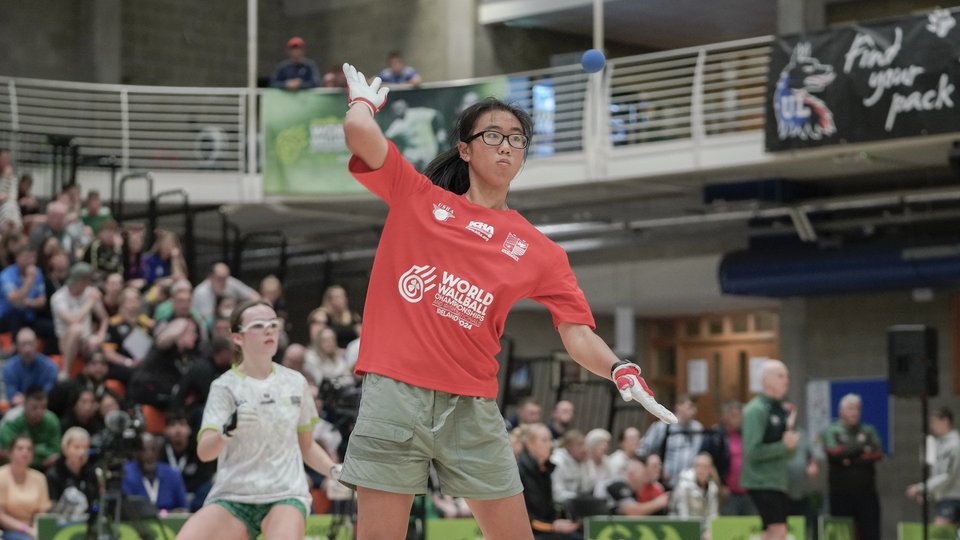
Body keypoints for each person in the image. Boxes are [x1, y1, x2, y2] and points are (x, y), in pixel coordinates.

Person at [336, 63, 676, 540]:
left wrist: (621, 369)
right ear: (465, 148)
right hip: (395, 393)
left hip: (471, 405)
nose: (505, 145)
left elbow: (576, 332)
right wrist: (362, 105)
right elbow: (358, 132)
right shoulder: (417, 197)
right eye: (492, 135)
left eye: (516, 139)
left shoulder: (539, 250)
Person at [175, 299, 340, 540]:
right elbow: (205, 452)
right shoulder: (223, 387)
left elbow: (307, 446)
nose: (269, 329)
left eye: (273, 323)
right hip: (233, 496)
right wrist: (227, 431)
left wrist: (333, 470)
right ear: (237, 338)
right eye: (259, 325)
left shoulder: (295, 382)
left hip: (285, 493)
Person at [741, 359, 799, 540]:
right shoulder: (755, 410)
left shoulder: (781, 409)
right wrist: (783, 446)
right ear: (766, 380)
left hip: (777, 481)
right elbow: (752, 451)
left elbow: (789, 453)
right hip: (761, 481)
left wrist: (790, 446)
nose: (786, 380)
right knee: (778, 530)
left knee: (773, 533)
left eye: (787, 376)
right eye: (781, 376)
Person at [822, 393, 881, 540]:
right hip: (840, 494)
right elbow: (834, 453)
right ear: (841, 411)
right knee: (842, 534)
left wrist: (848, 459)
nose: (854, 412)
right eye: (850, 409)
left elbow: (877, 454)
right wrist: (862, 447)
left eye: (857, 409)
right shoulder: (832, 430)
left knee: (871, 533)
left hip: (866, 494)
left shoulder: (868, 430)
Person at [517, 423, 581, 539]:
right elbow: (524, 518)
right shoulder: (520, 472)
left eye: (551, 440)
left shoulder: (545, 469)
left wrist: (558, 523)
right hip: (528, 532)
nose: (550, 444)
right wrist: (553, 527)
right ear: (530, 444)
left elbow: (549, 509)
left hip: (546, 529)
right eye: (544, 440)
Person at [50, 262, 108, 379]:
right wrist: (90, 302)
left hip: (86, 340)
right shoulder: (59, 298)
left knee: (95, 342)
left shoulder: (89, 292)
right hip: (66, 341)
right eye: (88, 280)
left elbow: (104, 318)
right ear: (80, 281)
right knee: (76, 329)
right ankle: (65, 371)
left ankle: (95, 379)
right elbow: (73, 321)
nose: (90, 283)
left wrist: (101, 334)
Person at [907, 406, 960, 527]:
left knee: (938, 532)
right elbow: (938, 474)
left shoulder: (954, 445)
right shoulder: (939, 443)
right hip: (946, 497)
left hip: (953, 499)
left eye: (934, 421)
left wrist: (922, 488)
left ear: (945, 421)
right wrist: (928, 493)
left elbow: (948, 475)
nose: (932, 426)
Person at [700, 400, 756, 515]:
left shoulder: (748, 434)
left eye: (741, 416)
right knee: (729, 527)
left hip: (750, 491)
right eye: (734, 415)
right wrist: (719, 485)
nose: (739, 419)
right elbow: (705, 460)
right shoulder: (716, 436)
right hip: (727, 492)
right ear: (725, 416)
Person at [638, 394, 704, 490]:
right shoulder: (662, 426)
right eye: (690, 406)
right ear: (678, 406)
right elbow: (643, 450)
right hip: (666, 483)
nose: (694, 411)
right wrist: (658, 469)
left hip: (689, 485)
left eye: (695, 407)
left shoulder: (697, 428)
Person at [0, 435, 52, 540]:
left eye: (29, 449)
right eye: (20, 448)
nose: (25, 452)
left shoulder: (40, 478)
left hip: (33, 528)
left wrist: (37, 530)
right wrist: (27, 530)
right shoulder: (1, 475)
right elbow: (1, 516)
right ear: (10, 453)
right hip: (8, 530)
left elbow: (42, 511)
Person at [121, 432, 189, 513]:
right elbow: (125, 510)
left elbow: (185, 510)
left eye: (153, 449)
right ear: (136, 453)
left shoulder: (172, 474)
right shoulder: (125, 474)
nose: (149, 455)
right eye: (144, 450)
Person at [0, 387, 62, 469]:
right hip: (14, 466)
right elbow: (8, 452)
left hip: (45, 467)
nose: (39, 412)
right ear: (24, 405)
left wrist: (26, 452)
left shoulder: (52, 420)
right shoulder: (12, 419)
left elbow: (55, 452)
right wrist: (41, 452)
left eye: (43, 407)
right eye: (34, 407)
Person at [44, 427, 98, 520]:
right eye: (77, 447)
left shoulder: (91, 472)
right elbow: (51, 507)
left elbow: (95, 501)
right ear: (65, 449)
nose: (82, 452)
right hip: (62, 522)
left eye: (85, 448)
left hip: (88, 520)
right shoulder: (54, 474)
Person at [596, 453, 670, 516]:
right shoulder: (618, 484)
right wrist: (659, 502)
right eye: (643, 475)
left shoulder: (631, 490)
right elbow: (633, 512)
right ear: (632, 475)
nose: (644, 479)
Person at [3, 328, 59, 406]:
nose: (27, 349)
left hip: (43, 408)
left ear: (37, 343)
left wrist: (25, 398)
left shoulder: (50, 366)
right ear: (17, 346)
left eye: (30, 343)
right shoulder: (9, 367)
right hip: (18, 409)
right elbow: (12, 397)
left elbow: (48, 395)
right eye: (23, 344)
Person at [191, 262, 259, 327]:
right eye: (219, 279)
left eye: (225, 278)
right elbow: (207, 322)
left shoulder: (228, 281)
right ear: (210, 277)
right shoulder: (202, 292)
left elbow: (255, 297)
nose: (223, 283)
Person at [670, 452, 720, 535]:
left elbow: (713, 514)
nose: (701, 469)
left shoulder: (713, 488)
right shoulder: (684, 486)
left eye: (704, 466)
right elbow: (683, 515)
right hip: (681, 528)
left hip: (702, 530)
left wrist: (709, 531)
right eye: (698, 465)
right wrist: (694, 533)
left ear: (710, 469)